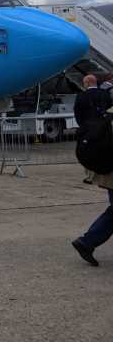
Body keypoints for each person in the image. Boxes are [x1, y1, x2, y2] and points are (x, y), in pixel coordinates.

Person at [72, 74, 113, 266]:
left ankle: (87, 242)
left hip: (104, 165)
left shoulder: (83, 99)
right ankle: (87, 241)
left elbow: (79, 117)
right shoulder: (105, 97)